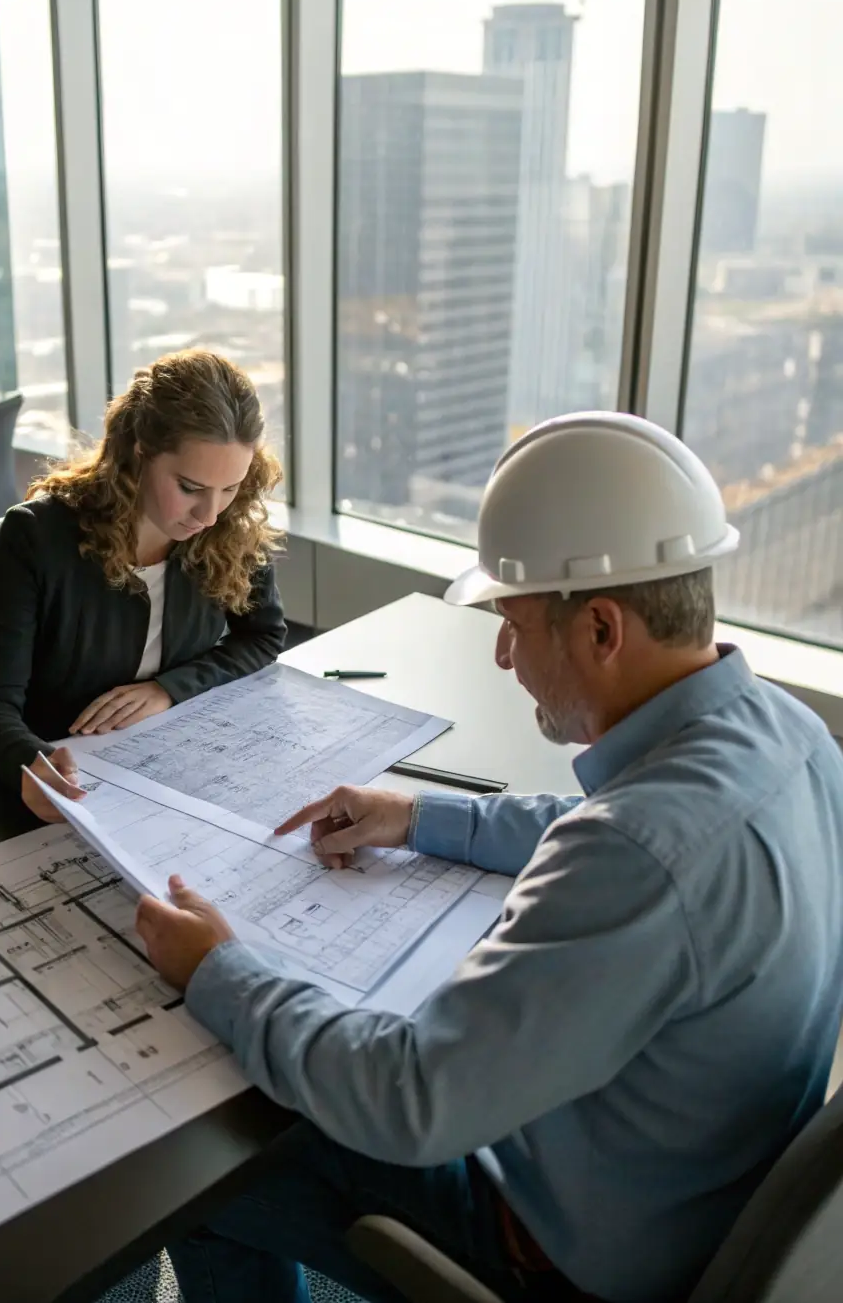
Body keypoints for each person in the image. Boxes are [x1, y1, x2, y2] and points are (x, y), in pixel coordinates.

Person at [133, 412, 843, 1303]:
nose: (503, 654)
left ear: (600, 629)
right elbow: (612, 822)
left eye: (512, 623)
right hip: (704, 1187)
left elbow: (407, 1098)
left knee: (209, 1163)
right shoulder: (797, 738)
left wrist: (218, 968)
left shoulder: (632, 855)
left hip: (558, 1255)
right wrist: (420, 815)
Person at [0, 349, 286, 822]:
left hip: (174, 769)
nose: (210, 514)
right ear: (140, 452)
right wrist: (30, 763)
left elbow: (263, 634)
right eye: (191, 487)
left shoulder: (228, 525)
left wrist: (169, 689)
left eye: (230, 487)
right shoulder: (38, 537)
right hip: (66, 782)